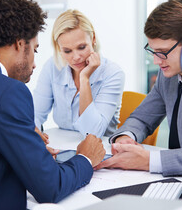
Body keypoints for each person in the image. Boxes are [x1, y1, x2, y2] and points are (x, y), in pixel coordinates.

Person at [0, 0, 106, 210]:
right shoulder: (9, 91)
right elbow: (50, 188)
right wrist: (85, 158)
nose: (34, 64)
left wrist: (23, 142)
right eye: (35, 50)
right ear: (20, 45)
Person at [96, 0, 182, 177]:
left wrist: (149, 160)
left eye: (163, 52)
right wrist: (126, 139)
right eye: (153, 51)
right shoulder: (168, 73)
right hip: (177, 180)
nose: (156, 61)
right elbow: (142, 118)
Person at [33, 9, 125, 138]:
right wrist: (34, 132)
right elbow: (35, 114)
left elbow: (92, 132)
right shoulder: (53, 66)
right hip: (63, 147)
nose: (76, 57)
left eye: (81, 47)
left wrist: (84, 79)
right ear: (59, 48)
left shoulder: (113, 73)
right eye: (67, 51)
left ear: (93, 38)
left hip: (100, 150)